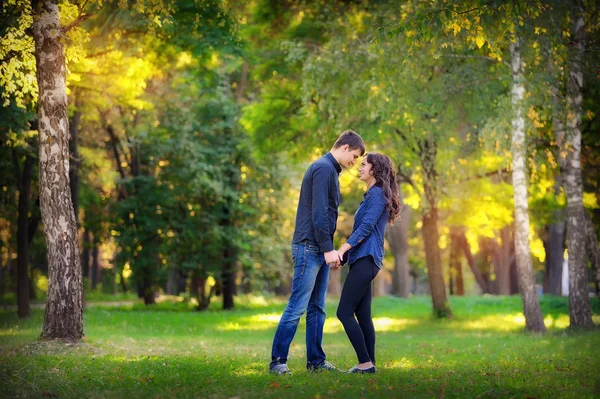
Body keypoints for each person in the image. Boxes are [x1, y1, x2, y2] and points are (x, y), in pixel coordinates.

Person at [269, 130, 366, 375]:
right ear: (344, 147)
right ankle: (277, 362)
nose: (354, 162)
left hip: (319, 247)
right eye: (354, 156)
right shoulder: (323, 168)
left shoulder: (330, 170)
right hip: (308, 246)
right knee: (297, 306)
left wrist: (329, 250)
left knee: (317, 308)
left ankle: (316, 361)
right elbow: (320, 213)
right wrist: (327, 249)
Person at [335, 152, 401, 374]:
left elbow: (365, 229)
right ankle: (369, 365)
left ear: (375, 169)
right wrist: (344, 257)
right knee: (362, 315)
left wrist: (343, 249)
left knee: (344, 312)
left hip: (366, 259)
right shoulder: (374, 194)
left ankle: (364, 362)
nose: (360, 167)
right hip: (364, 259)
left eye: (364, 164)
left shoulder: (376, 194)